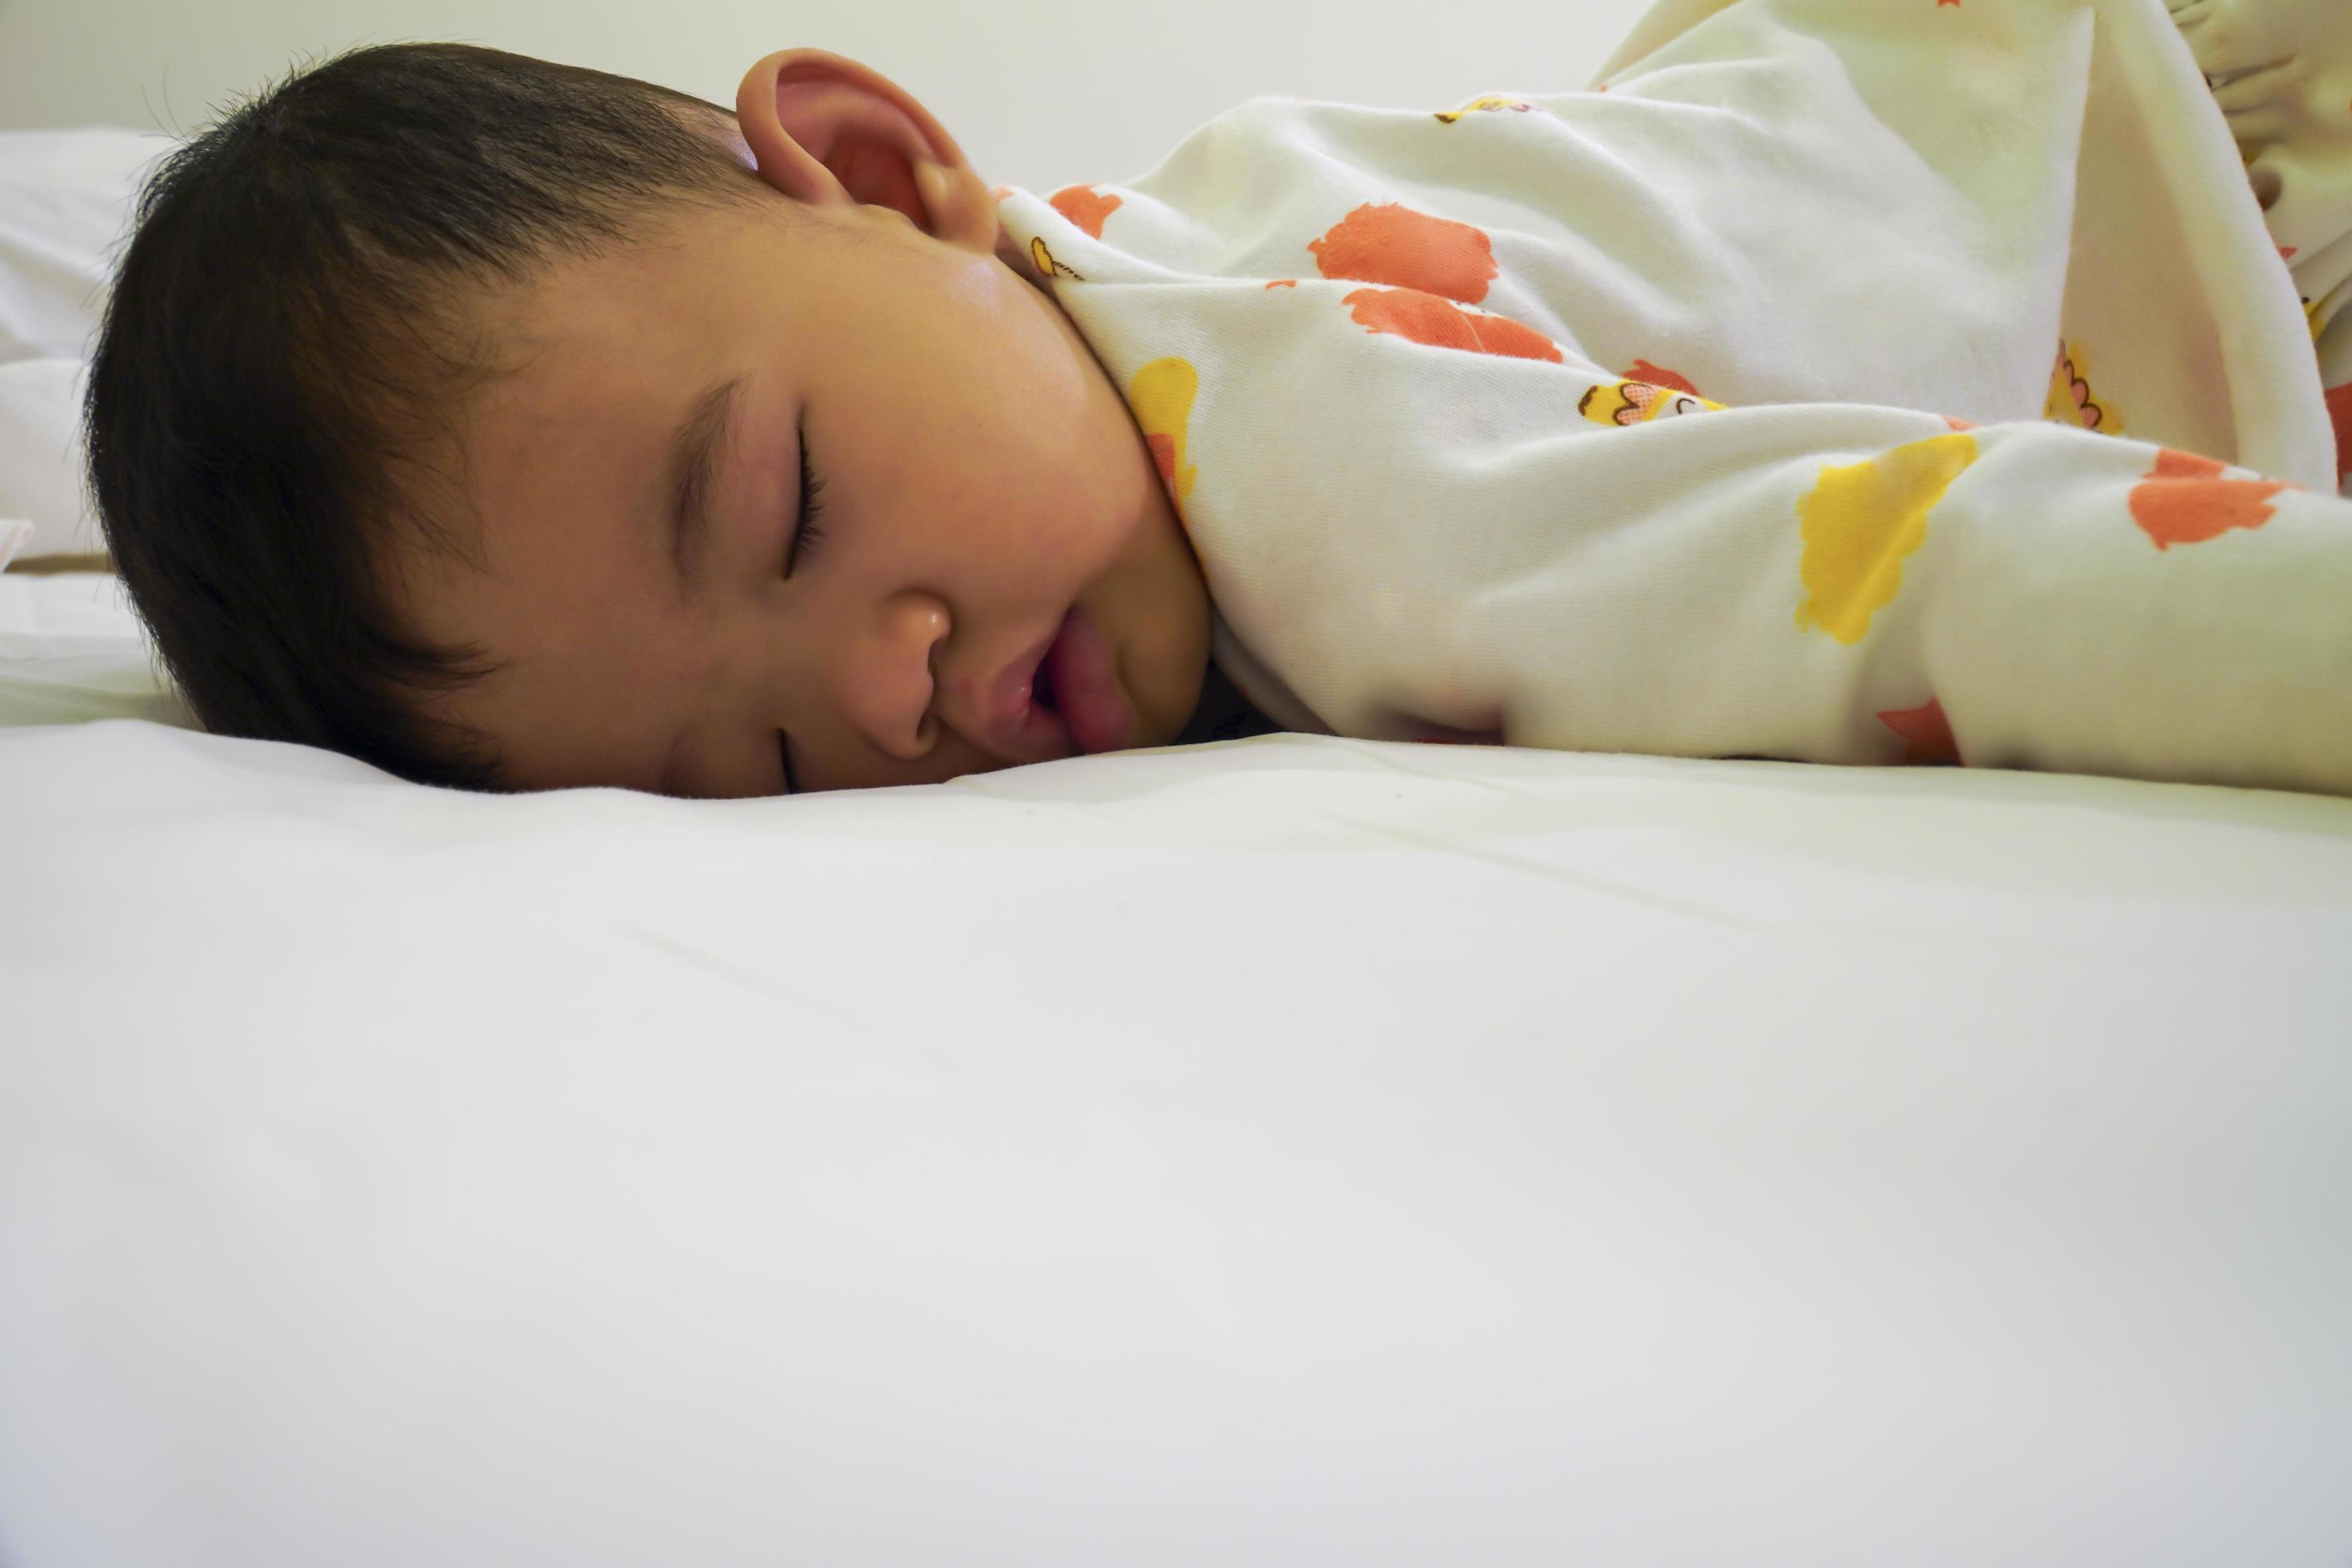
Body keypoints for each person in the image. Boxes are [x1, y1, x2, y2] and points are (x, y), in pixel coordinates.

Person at [84, 0, 2352, 799]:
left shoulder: (1337, 471)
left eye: (782, 512)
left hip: (2197, 165)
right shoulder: (1056, 321)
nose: (882, 697)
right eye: (749, 762)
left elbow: (1946, 575)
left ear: (886, 175)